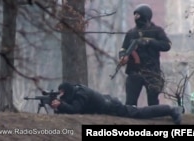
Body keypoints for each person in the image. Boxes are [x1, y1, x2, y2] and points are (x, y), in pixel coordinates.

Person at [50, 82, 182, 125]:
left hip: (112, 107)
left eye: (62, 93)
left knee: (139, 113)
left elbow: (75, 110)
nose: (62, 96)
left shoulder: (80, 94)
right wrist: (60, 106)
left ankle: (170, 109)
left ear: (67, 91)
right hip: (108, 102)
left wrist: (60, 105)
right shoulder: (76, 91)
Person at [118, 4, 172, 106]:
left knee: (153, 103)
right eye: (135, 15)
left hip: (152, 71)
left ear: (145, 15)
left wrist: (149, 42)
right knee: (130, 103)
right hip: (134, 71)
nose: (135, 17)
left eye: (138, 15)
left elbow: (167, 45)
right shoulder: (131, 33)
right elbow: (123, 49)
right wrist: (122, 56)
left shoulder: (156, 31)